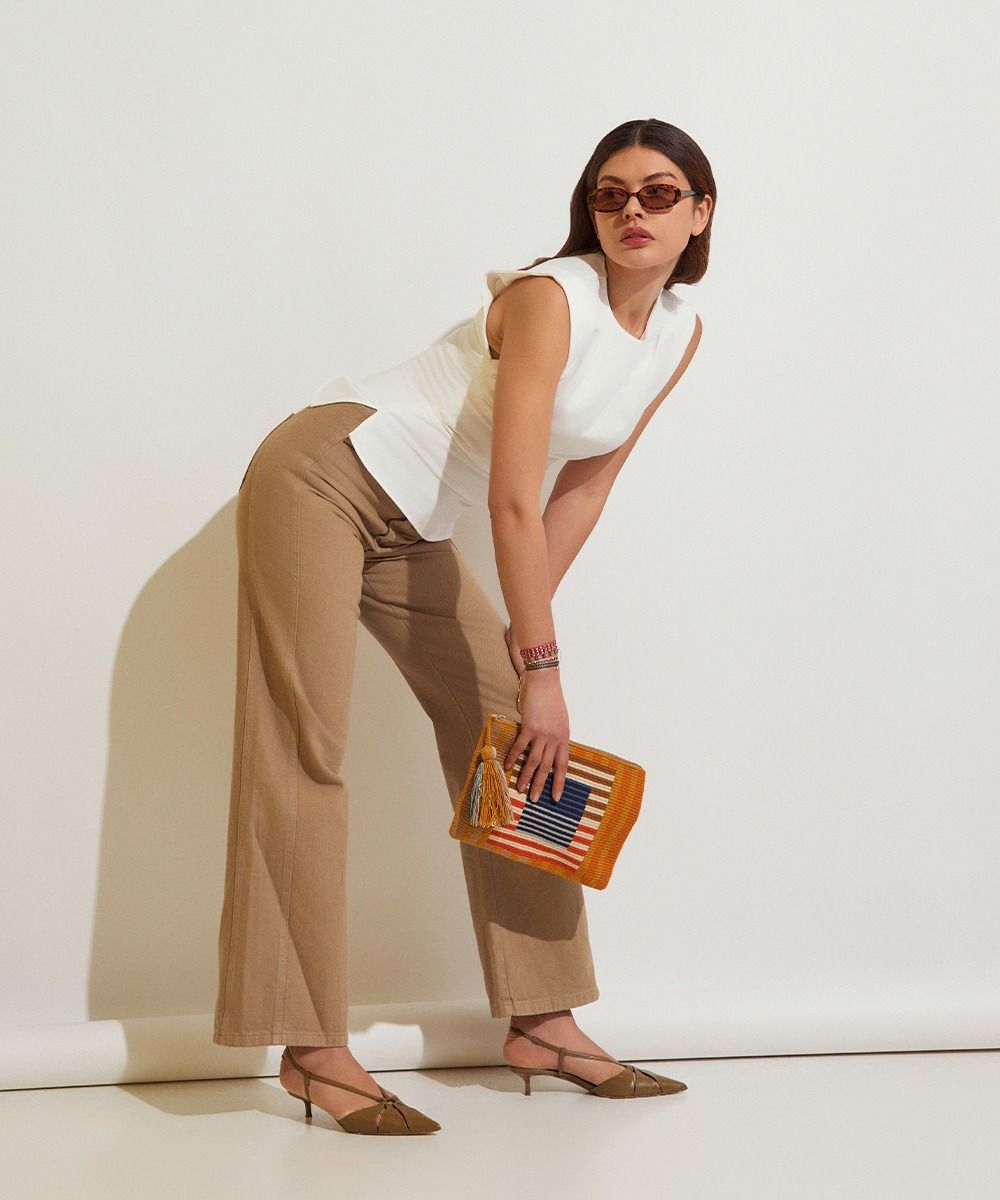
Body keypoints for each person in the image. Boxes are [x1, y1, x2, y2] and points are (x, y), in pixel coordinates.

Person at [212, 117, 716, 1135]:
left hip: (414, 525)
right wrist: (543, 662)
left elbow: (583, 491)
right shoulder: (549, 297)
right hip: (326, 475)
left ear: (700, 213)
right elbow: (512, 499)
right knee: (305, 744)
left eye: (659, 193)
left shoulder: (676, 333)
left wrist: (524, 657)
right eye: (610, 194)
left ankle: (543, 1019)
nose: (632, 210)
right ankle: (309, 1047)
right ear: (588, 210)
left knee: (516, 738)